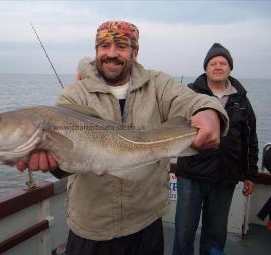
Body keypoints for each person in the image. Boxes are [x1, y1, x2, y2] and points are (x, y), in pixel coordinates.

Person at [16, 21, 229, 255]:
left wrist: (210, 113)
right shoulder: (75, 94)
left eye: (121, 46)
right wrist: (53, 164)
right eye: (104, 46)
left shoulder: (158, 84)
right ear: (96, 50)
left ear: (135, 52)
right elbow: (68, 162)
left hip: (147, 222)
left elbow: (196, 101)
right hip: (92, 227)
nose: (111, 54)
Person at [173, 43, 259, 255]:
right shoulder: (189, 94)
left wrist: (250, 174)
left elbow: (250, 139)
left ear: (230, 68)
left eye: (223, 63)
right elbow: (172, 125)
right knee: (184, 232)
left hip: (225, 177)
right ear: (206, 68)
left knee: (215, 235)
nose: (218, 66)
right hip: (191, 175)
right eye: (213, 63)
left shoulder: (242, 101)